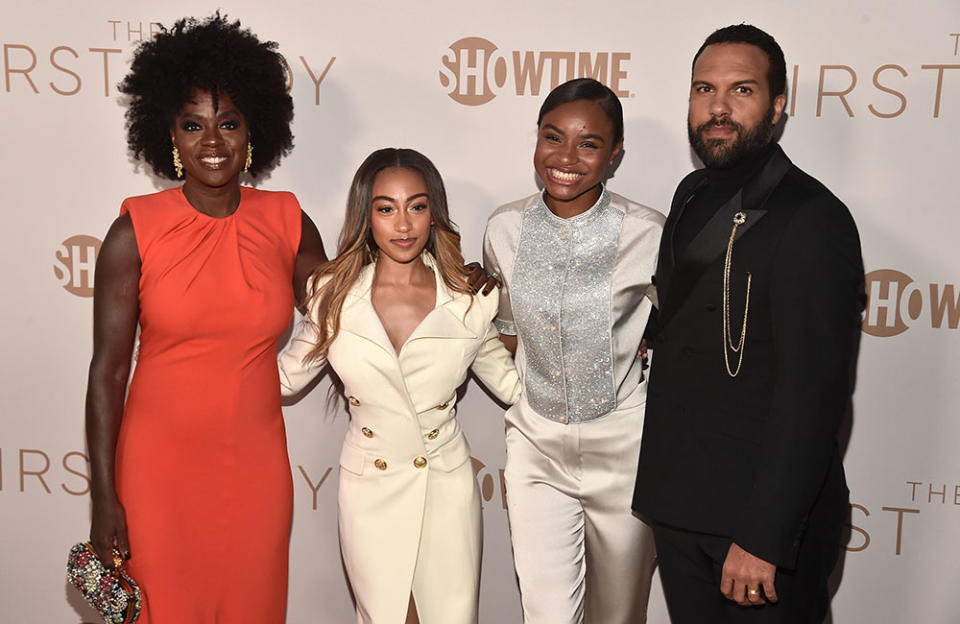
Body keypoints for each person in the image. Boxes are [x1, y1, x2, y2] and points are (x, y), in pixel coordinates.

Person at [85, 15, 326, 623]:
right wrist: (104, 500)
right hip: (156, 471)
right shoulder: (132, 231)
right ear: (168, 133)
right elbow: (108, 372)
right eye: (193, 125)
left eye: (229, 123)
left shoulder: (288, 221)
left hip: (254, 469)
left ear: (254, 131)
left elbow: (350, 307)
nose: (212, 142)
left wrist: (449, 270)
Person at [632, 24, 865, 623]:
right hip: (681, 505)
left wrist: (764, 538)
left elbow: (813, 398)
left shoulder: (814, 218)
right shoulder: (688, 195)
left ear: (778, 105)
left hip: (760, 529)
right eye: (704, 89)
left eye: (742, 90)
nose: (718, 108)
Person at [278, 148, 521, 624]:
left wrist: (602, 358)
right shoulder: (331, 295)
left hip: (445, 487)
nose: (403, 224)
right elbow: (285, 379)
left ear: (435, 213)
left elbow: (515, 387)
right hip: (370, 488)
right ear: (366, 216)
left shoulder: (469, 300)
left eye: (417, 205)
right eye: (386, 208)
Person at [482, 78, 663, 623]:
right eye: (552, 137)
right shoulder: (504, 228)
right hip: (537, 446)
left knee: (618, 615)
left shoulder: (648, 232)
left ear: (615, 155)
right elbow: (506, 331)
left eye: (588, 144)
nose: (565, 157)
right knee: (547, 613)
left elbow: (678, 330)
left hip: (626, 450)